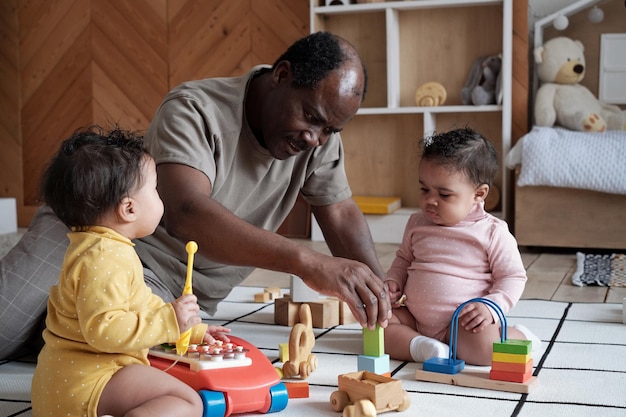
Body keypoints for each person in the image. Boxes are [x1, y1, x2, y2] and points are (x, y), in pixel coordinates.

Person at [0, 31, 391, 360]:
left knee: (106, 356)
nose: (315, 139)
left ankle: (55, 325)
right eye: (311, 117)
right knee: (4, 328)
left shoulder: (319, 143)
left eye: (330, 131)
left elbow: (339, 213)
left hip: (167, 287)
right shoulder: (195, 108)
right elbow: (186, 213)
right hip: (88, 237)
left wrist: (379, 290)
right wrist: (307, 261)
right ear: (282, 75)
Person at [31, 126, 231, 417]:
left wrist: (188, 328)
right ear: (128, 209)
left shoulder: (101, 247)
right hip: (88, 383)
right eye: (154, 189)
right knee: (187, 400)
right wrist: (169, 320)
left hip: (69, 382)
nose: (160, 197)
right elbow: (105, 331)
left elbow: (138, 303)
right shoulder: (104, 257)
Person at [383, 127, 541, 366]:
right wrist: (394, 281)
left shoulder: (492, 232)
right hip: (415, 318)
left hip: (465, 323)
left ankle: (520, 337)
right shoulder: (417, 223)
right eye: (424, 189)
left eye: (444, 195)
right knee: (378, 325)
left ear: (479, 194)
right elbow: (404, 259)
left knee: (485, 353)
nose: (430, 201)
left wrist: (491, 307)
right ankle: (423, 347)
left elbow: (513, 277)